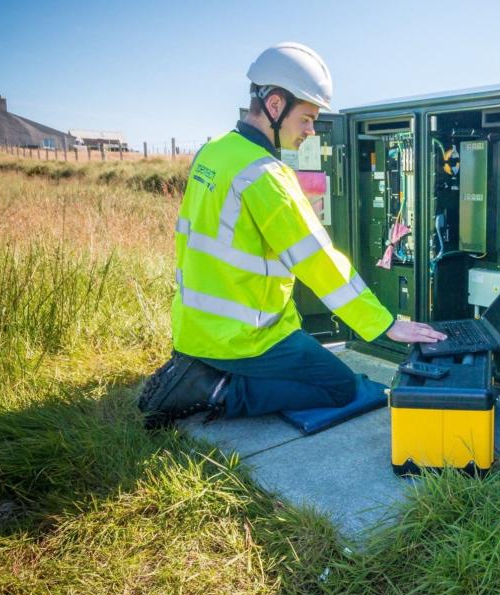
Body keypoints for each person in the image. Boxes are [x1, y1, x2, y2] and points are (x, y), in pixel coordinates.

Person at [138, 42, 444, 427]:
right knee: (340, 388)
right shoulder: (266, 175)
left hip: (195, 328)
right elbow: (318, 260)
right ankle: (212, 388)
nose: (311, 131)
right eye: (307, 118)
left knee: (306, 361)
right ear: (276, 104)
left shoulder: (212, 152)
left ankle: (199, 367)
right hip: (247, 336)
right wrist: (383, 324)